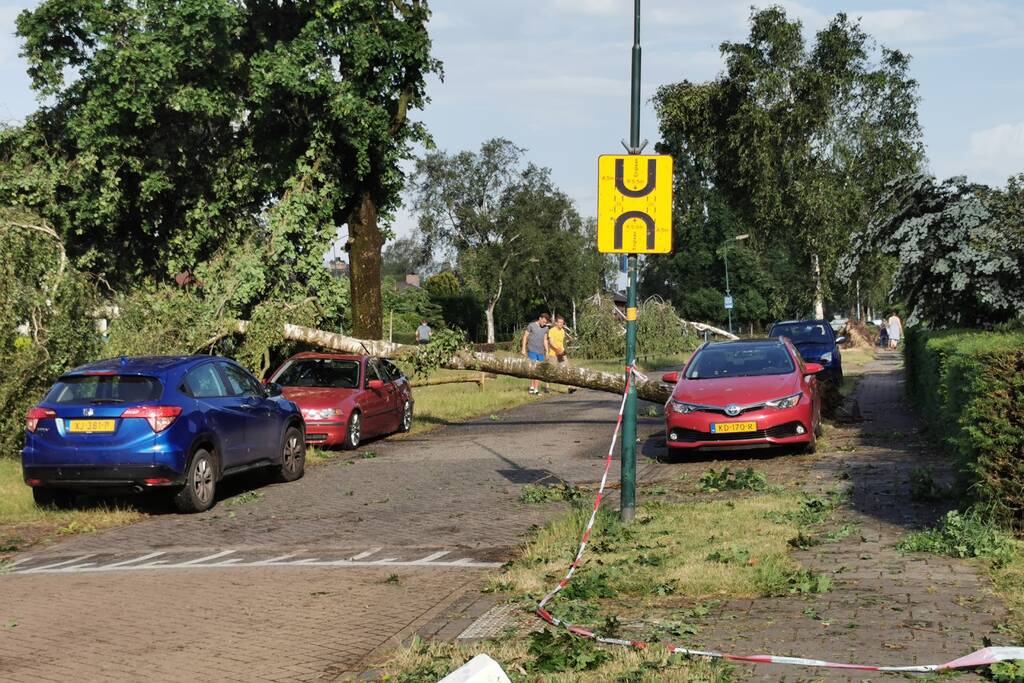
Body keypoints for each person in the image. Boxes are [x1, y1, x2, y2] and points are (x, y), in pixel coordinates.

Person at [520, 313, 550, 395]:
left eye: (545, 322)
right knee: (534, 369)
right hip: (532, 350)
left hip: (541, 352)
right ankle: (535, 389)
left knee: (538, 370)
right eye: (543, 321)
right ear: (540, 318)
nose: (544, 323)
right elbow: (525, 337)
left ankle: (533, 387)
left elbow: (545, 340)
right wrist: (523, 348)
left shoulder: (546, 328)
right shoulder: (531, 325)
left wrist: (547, 351)